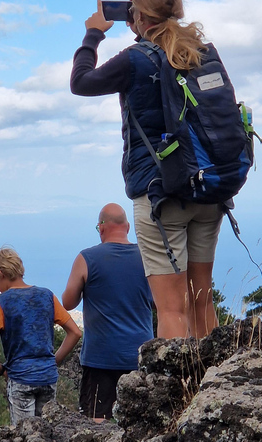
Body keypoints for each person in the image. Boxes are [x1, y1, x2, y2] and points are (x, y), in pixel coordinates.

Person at [70, 0, 223, 339]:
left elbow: (80, 82)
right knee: (202, 300)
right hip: (209, 185)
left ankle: (184, 391)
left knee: (171, 308)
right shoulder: (201, 51)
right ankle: (216, 383)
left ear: (137, 15)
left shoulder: (135, 59)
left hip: (160, 193)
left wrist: (93, 34)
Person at [61, 204, 154, 422]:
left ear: (101, 228)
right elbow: (160, 302)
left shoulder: (86, 258)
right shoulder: (148, 258)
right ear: (128, 227)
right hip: (138, 356)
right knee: (137, 424)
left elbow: (68, 302)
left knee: (95, 423)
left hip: (99, 358)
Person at [0, 247, 82, 426]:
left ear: (0, 273)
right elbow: (75, 332)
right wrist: (53, 361)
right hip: (48, 378)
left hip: (20, 378)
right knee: (47, 436)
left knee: (23, 438)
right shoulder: (47, 295)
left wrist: (1, 370)